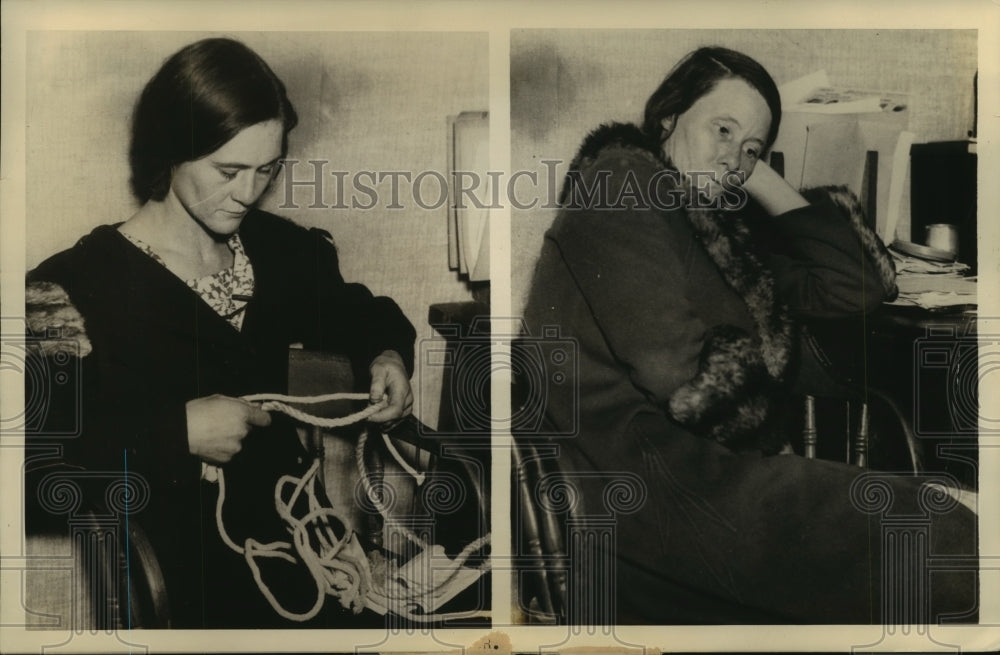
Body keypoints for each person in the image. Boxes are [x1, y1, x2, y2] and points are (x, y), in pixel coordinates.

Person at [521, 46, 977, 624]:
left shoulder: (712, 231)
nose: (733, 157)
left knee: (942, 529)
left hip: (693, 484)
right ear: (668, 118)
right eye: (721, 127)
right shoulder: (620, 180)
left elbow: (857, 286)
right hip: (640, 496)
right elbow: (677, 374)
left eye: (752, 148)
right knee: (938, 535)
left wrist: (746, 164)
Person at [25, 38, 416, 628]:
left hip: (306, 557)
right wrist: (173, 433)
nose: (247, 192)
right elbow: (29, 470)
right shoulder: (65, 289)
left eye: (267, 169)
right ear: (170, 150)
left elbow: (363, 312)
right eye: (227, 170)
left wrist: (387, 354)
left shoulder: (281, 252)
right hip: (178, 587)